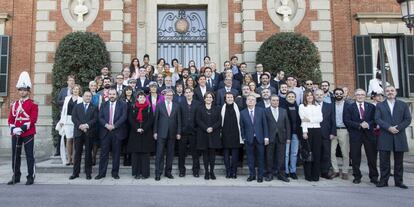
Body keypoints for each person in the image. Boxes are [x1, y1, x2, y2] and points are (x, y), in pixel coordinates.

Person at [375, 86, 412, 189]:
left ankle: (399, 182)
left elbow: (408, 119)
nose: (390, 92)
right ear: (384, 93)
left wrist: (398, 128)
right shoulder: (380, 105)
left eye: (392, 91)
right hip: (385, 135)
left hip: (399, 135)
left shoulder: (403, 105)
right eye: (387, 91)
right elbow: (377, 119)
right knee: (384, 161)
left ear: (395, 92)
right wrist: (388, 127)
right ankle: (383, 181)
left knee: (399, 161)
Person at [7, 72, 38, 185]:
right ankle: (16, 175)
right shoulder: (14, 104)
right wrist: (14, 128)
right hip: (16, 133)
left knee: (29, 155)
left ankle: (30, 176)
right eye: (20, 90)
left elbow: (33, 119)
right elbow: (10, 119)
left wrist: (22, 128)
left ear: (28, 91)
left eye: (24, 90)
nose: (22, 92)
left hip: (28, 133)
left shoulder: (33, 104)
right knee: (15, 155)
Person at [343, 89, 379, 184]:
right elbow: (346, 121)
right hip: (355, 134)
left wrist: (368, 124)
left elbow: (375, 119)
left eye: (362, 94)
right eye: (358, 94)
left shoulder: (371, 107)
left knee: (372, 157)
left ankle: (374, 177)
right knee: (355, 157)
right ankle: (357, 176)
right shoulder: (349, 107)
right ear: (355, 96)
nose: (360, 96)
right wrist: (359, 125)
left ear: (365, 96)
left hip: (369, 135)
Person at [95, 88, 128, 180]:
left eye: (114, 94)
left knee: (116, 154)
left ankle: (115, 173)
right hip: (105, 132)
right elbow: (100, 117)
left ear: (116, 95)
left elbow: (124, 117)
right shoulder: (103, 105)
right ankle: (101, 173)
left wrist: (114, 126)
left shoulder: (123, 105)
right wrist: (106, 125)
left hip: (117, 132)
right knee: (103, 154)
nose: (112, 96)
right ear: (108, 95)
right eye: (110, 94)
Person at [240, 95, 269, 183]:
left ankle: (260, 176)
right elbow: (242, 127)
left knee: (261, 158)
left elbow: (265, 125)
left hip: (260, 138)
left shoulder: (261, 111)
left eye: (253, 100)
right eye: (249, 100)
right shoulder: (242, 112)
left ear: (255, 102)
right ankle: (252, 175)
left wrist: (266, 137)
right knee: (250, 159)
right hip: (249, 139)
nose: (251, 101)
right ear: (246, 102)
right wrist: (244, 137)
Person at [69, 91, 98, 180]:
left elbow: (95, 119)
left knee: (88, 153)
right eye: (86, 96)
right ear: (83, 96)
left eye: (90, 96)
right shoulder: (77, 106)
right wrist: (80, 126)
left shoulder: (94, 107)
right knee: (77, 153)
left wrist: (87, 125)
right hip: (78, 132)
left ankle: (88, 173)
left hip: (89, 133)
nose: (88, 97)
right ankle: (75, 173)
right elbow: (74, 118)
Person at [153, 89, 182, 181]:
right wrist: (155, 132)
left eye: (171, 95)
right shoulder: (159, 105)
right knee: (159, 154)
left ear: (173, 96)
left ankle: (168, 172)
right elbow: (156, 120)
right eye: (167, 95)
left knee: (170, 154)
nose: (169, 96)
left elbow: (179, 121)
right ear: (164, 96)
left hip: (172, 133)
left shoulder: (176, 106)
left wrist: (178, 132)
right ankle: (158, 173)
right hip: (161, 133)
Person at [128, 91, 154, 179]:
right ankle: (136, 173)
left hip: (146, 133)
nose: (142, 99)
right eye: (140, 97)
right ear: (137, 99)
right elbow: (131, 119)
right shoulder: (133, 107)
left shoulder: (149, 108)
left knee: (145, 155)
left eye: (143, 97)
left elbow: (151, 120)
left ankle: (145, 174)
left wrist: (144, 128)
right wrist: (137, 128)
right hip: (135, 133)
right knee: (136, 154)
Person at [264, 95, 291, 182]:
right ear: (270, 101)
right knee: (269, 157)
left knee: (281, 157)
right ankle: (269, 174)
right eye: (273, 100)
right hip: (270, 137)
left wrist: (288, 137)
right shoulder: (265, 111)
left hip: (281, 137)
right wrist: (266, 137)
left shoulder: (283, 111)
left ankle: (281, 174)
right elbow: (264, 125)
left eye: (277, 100)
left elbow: (287, 125)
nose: (275, 102)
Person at [196, 91, 222, 180]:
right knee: (205, 154)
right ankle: (206, 172)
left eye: (210, 97)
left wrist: (212, 128)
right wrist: (206, 128)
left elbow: (219, 121)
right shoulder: (200, 108)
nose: (208, 99)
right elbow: (198, 120)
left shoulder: (217, 108)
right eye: (207, 97)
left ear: (213, 99)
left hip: (213, 134)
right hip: (203, 134)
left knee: (212, 154)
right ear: (204, 99)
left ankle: (212, 171)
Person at [299, 90, 323, 181]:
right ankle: (308, 175)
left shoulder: (317, 106)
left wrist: (310, 119)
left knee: (316, 153)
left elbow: (320, 119)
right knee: (307, 153)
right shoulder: (302, 106)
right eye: (307, 95)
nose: (309, 97)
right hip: (307, 131)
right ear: (305, 97)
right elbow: (303, 119)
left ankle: (315, 175)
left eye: (311, 95)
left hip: (317, 130)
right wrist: (304, 132)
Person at [57, 84, 83, 166]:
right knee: (68, 140)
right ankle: (69, 159)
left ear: (79, 91)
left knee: (76, 140)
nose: (75, 90)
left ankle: (75, 158)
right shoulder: (67, 99)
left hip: (77, 121)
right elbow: (64, 111)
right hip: (67, 121)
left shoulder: (81, 99)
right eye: (74, 89)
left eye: (77, 89)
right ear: (72, 90)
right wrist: (61, 120)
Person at [179, 87, 201, 177]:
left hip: (194, 132)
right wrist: (179, 131)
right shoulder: (180, 104)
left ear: (192, 93)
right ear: (184, 94)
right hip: (183, 132)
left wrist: (196, 129)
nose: (188, 94)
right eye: (186, 92)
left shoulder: (198, 104)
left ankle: (196, 170)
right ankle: (182, 171)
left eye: (189, 92)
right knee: (181, 153)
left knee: (195, 153)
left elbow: (199, 118)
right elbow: (179, 118)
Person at [221, 92, 243, 179]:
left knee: (235, 156)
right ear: (225, 99)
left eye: (231, 97)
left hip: (236, 134)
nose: (229, 99)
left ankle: (234, 172)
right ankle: (228, 171)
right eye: (228, 97)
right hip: (225, 134)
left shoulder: (239, 108)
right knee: (226, 155)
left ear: (234, 99)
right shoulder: (222, 109)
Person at [55, 75, 75, 156]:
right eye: (70, 80)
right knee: (61, 132)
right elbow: (58, 101)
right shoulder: (63, 90)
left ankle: (71, 152)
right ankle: (58, 151)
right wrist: (66, 101)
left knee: (72, 134)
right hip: (64, 115)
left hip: (73, 115)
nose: (71, 82)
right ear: (67, 82)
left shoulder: (76, 90)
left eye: (73, 81)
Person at [284, 91, 301, 179]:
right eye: (289, 96)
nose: (291, 98)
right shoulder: (283, 108)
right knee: (286, 153)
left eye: (292, 96)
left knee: (294, 153)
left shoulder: (299, 108)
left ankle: (292, 171)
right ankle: (286, 171)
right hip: (287, 134)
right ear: (286, 98)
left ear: (295, 98)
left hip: (296, 133)